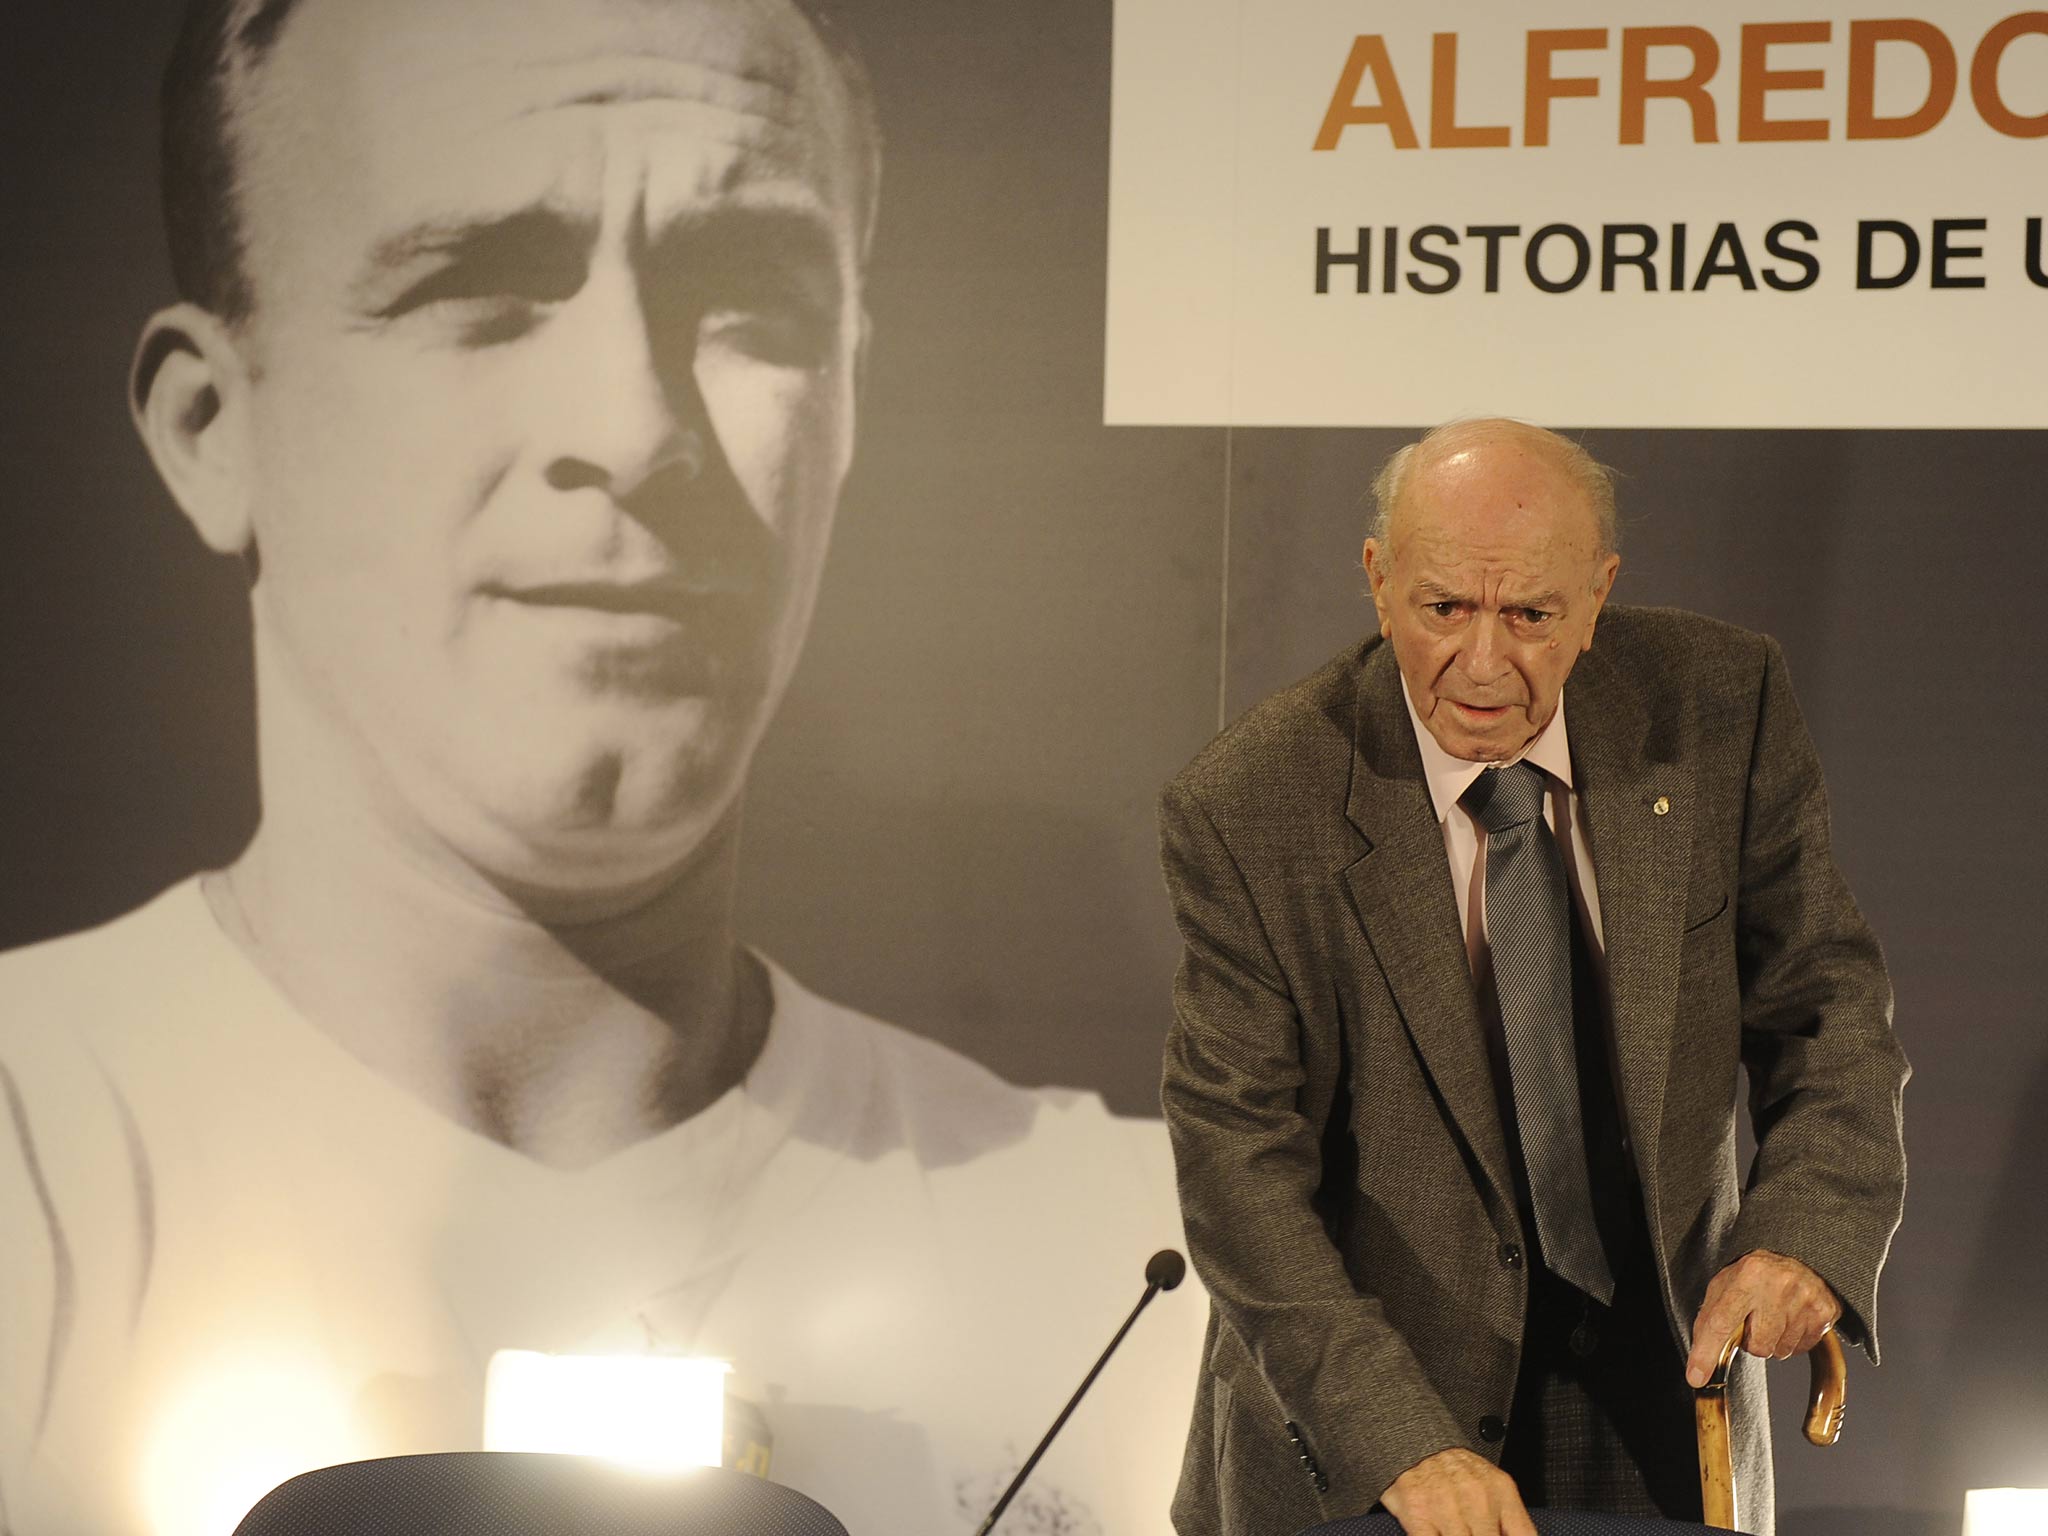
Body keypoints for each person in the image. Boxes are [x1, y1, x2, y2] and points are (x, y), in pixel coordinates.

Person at [0, 2, 1199, 1534]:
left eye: (752, 302)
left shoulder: (1136, 1267)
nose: (634, 431)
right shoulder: (26, 1154)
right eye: (476, 290)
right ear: (207, 426)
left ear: (850, 403)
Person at [1158, 419, 1907, 1536]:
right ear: (1376, 579)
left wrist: (1800, 1234)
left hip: (1662, 1382)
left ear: (1598, 593)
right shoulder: (1252, 802)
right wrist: (1404, 1445)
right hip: (1378, 1416)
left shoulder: (1717, 703)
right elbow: (1238, 1172)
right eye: (1443, 608)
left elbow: (1828, 1007)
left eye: (1530, 615)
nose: (1482, 663)